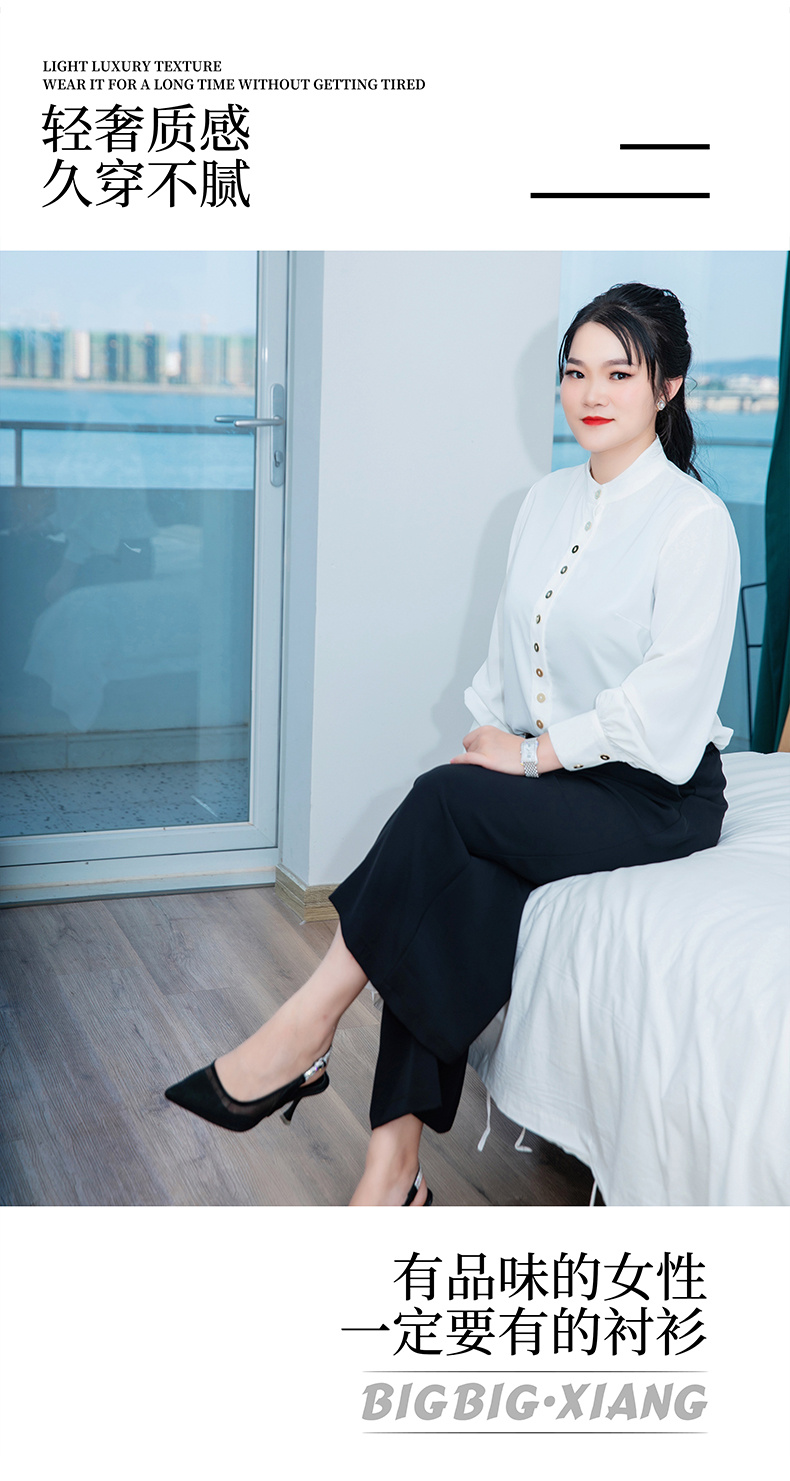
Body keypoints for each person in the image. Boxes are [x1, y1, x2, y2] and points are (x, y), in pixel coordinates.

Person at [165, 282, 741, 1207]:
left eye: (619, 374)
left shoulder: (693, 522)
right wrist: (495, 743)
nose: (591, 393)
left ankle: (307, 1025)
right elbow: (509, 654)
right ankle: (391, 1172)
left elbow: (665, 708)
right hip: (558, 775)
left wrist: (526, 760)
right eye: (576, 372)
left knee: (443, 805)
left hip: (657, 792)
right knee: (452, 869)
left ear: (667, 387)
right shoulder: (543, 502)